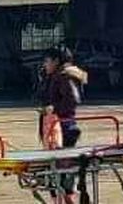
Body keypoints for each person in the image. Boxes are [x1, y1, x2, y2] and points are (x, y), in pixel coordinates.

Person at [38, 46, 88, 203]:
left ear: (56, 61)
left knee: (62, 171)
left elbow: (73, 100)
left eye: (47, 61)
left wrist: (53, 109)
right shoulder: (54, 76)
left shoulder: (65, 76)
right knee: (58, 171)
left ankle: (67, 200)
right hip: (55, 128)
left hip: (63, 129)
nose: (44, 64)